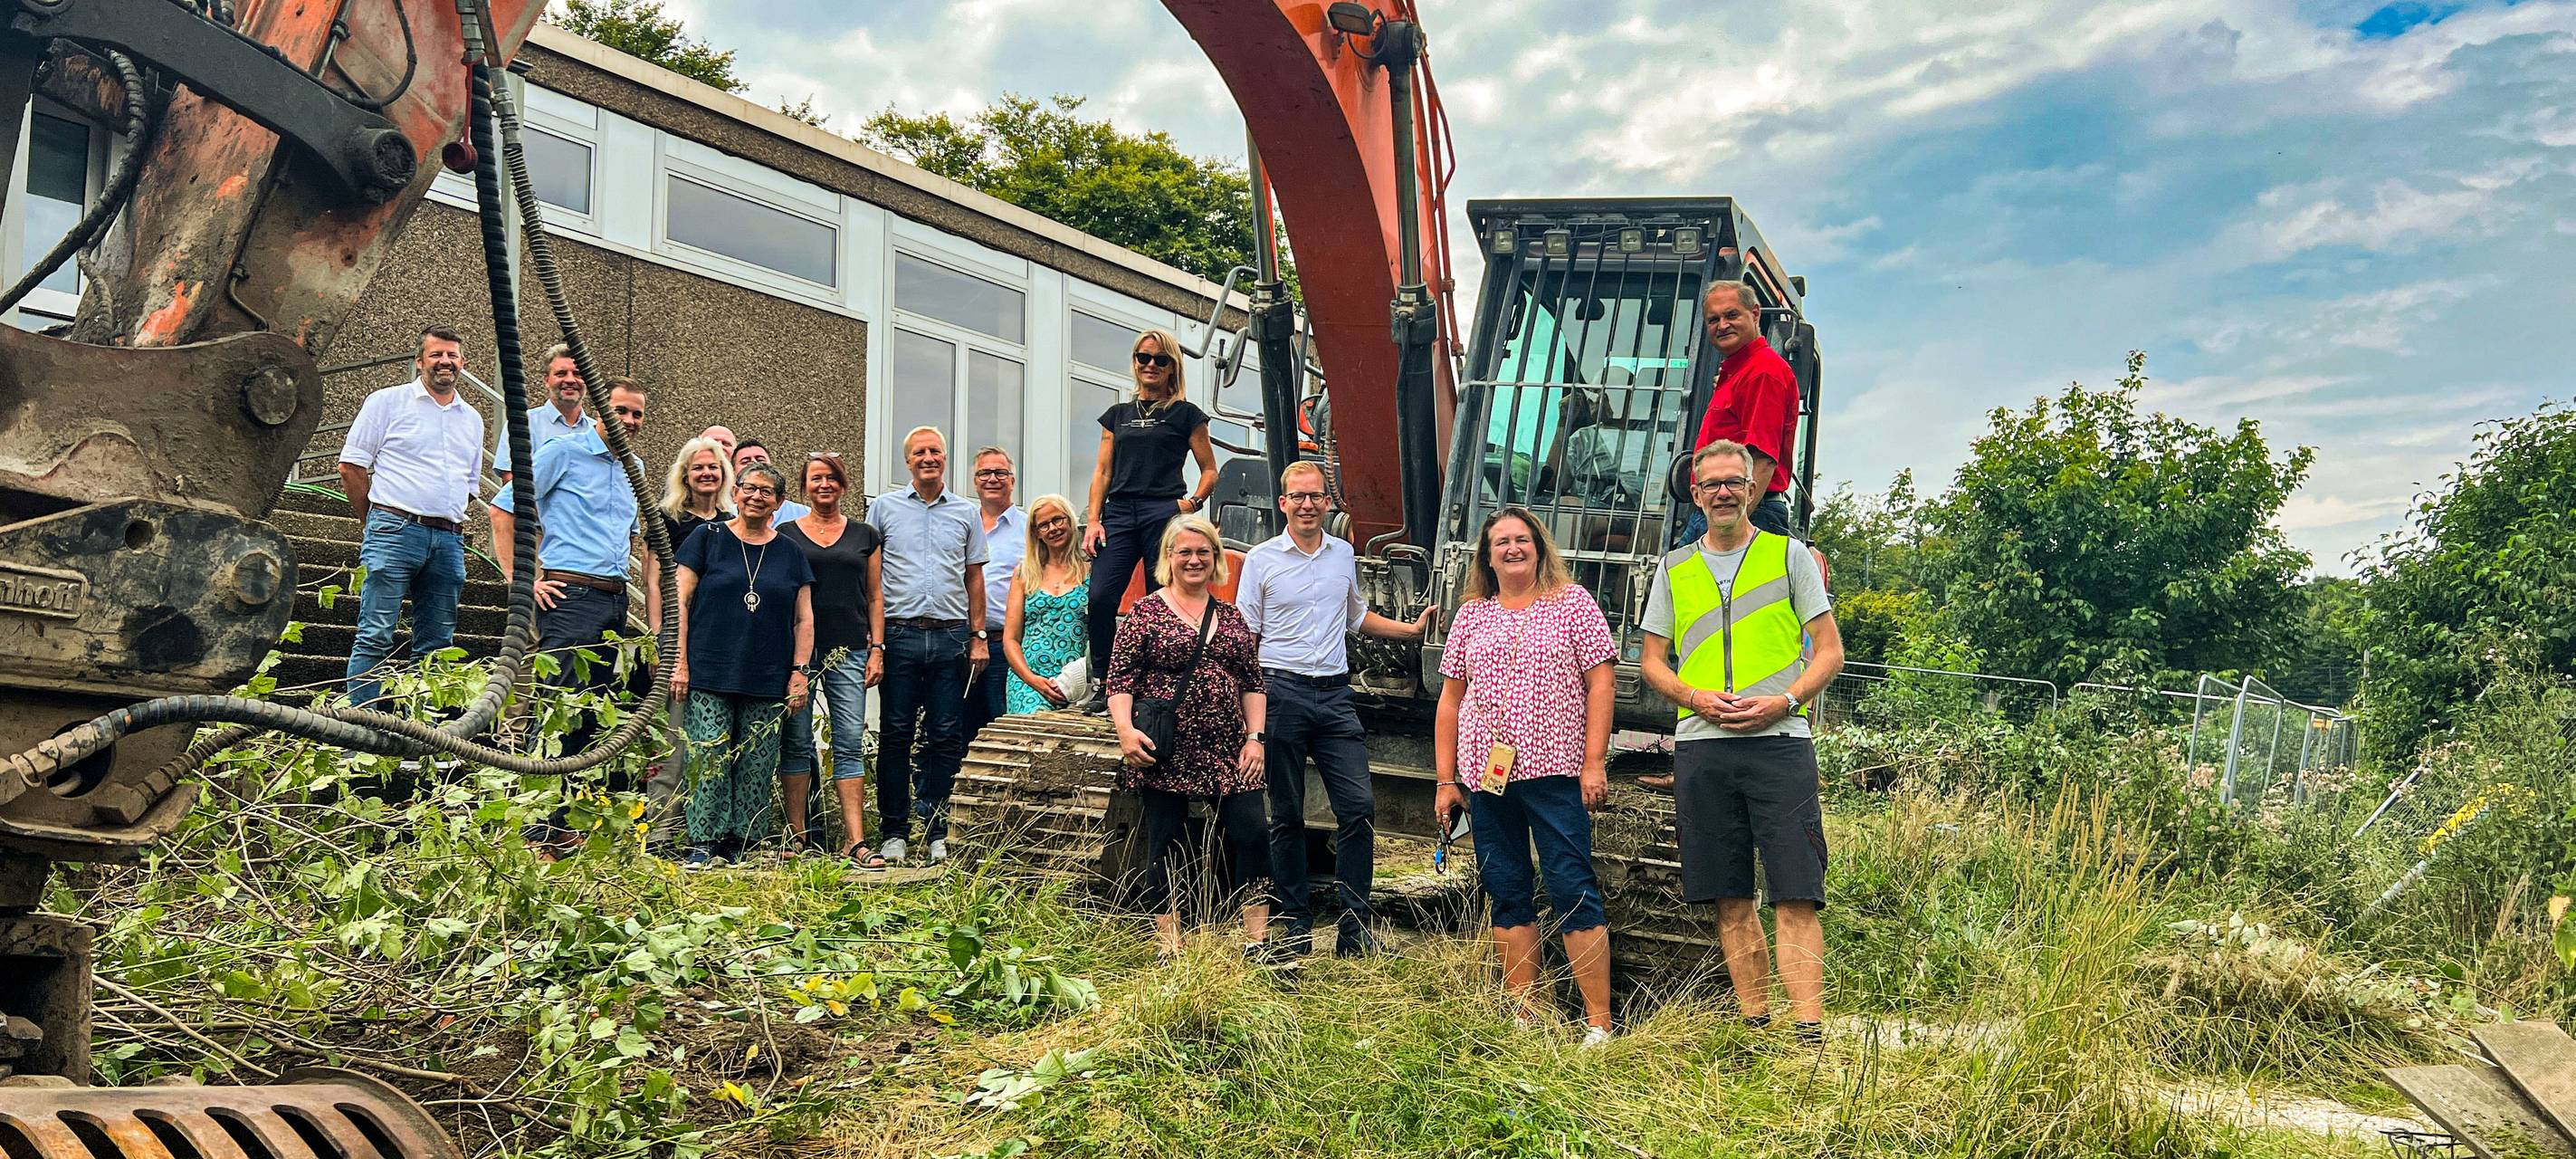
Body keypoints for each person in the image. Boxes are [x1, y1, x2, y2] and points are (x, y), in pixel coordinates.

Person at [1640, 439, 1844, 1047]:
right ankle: (1756, 1025)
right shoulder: (1674, 568)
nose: (1723, 492)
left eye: (1735, 482)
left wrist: (1784, 702)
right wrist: (1695, 699)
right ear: (1695, 494)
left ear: (1753, 489)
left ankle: (1808, 1033)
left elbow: (1829, 651)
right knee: (1729, 897)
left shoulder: (1789, 557)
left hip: (1779, 743)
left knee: (1796, 894)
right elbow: (1652, 660)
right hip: (1703, 746)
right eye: (1712, 485)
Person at [1433, 505, 1617, 1047]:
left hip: (1556, 771)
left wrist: (1594, 761)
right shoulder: (1472, 616)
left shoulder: (1573, 604)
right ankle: (1526, 1013)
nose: (1512, 549)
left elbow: (1601, 686)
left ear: (1539, 547)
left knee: (1571, 886)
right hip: (1488, 776)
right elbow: (1450, 702)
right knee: (1508, 888)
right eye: (1501, 543)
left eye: (1522, 540)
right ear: (1486, 557)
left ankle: (1599, 1024)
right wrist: (1447, 779)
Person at [1237, 461, 1433, 957]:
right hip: (1280, 692)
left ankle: (1353, 928)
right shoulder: (1261, 560)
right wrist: (1246, 713)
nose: (1307, 504)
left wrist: (1410, 631)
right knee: (1286, 815)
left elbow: (1356, 616)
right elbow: (1246, 638)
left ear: (1330, 503)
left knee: (1358, 808)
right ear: (1282, 503)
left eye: (1316, 496)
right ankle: (1296, 926)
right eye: (1297, 496)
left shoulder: (1342, 553)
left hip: (1335, 695)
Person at [486, 377, 652, 852]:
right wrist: (523, 579)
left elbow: (633, 536)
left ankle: (564, 824)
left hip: (614, 599)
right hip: (569, 595)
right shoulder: (563, 450)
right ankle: (538, 829)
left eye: (637, 414)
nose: (629, 422)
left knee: (586, 716)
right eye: (621, 411)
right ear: (601, 410)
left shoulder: (634, 466)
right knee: (558, 710)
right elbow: (503, 510)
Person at [1105, 514, 1275, 963]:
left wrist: (1254, 739)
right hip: (1165, 748)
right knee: (1167, 841)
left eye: (1204, 552)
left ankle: (1256, 941)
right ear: (1168, 559)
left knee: (1252, 834)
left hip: (1228, 748)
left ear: (1216, 559)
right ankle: (1169, 946)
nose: (1194, 560)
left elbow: (1252, 682)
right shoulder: (1146, 612)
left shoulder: (1230, 616)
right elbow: (1120, 680)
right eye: (1185, 552)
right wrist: (1126, 732)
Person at [671, 462, 815, 868]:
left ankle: (742, 842)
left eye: (766, 492)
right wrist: (679, 663)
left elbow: (804, 618)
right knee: (708, 756)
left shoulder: (790, 551)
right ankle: (704, 841)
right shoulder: (707, 538)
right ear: (735, 493)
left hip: (768, 675)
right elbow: (680, 601)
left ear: (779, 503)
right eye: (749, 488)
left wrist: (799, 672)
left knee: (756, 763)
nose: (756, 496)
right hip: (708, 669)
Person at [338, 326, 485, 707]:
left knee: (437, 644)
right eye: (436, 354)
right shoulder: (387, 402)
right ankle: (360, 733)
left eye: (452, 355)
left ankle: (425, 738)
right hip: (394, 528)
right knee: (375, 634)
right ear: (420, 362)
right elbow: (351, 466)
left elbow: (470, 486)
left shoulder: (472, 419)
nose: (445, 362)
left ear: (462, 364)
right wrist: (372, 521)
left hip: (450, 539)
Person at [864, 426, 987, 866]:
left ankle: (939, 830)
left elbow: (975, 577)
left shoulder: (966, 513)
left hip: (951, 635)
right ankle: (894, 831)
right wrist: (876, 643)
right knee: (895, 735)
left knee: (946, 737)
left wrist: (978, 636)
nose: (928, 457)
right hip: (899, 634)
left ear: (945, 457)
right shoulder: (884, 508)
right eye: (920, 452)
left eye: (935, 450)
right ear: (908, 461)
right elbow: (872, 580)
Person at [1079, 329, 1216, 711]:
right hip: (1119, 513)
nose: (1150, 365)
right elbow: (1103, 472)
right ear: (1135, 363)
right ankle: (1105, 683)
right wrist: (1093, 520)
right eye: (1143, 358)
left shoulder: (1186, 414)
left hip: (1163, 510)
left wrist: (1191, 505)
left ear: (1173, 367)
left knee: (1161, 599)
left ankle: (1157, 683)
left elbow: (1209, 470)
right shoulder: (1116, 416)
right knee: (1102, 596)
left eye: (1160, 359)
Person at [776, 452, 888, 867]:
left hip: (850, 650)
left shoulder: (865, 536)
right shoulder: (785, 533)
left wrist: (877, 647)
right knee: (797, 741)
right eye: (816, 479)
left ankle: (854, 841)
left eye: (832, 478)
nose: (824, 485)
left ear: (843, 484)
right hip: (799, 653)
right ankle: (797, 837)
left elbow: (876, 596)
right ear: (805, 486)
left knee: (848, 742)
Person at [1679, 282, 1798, 543]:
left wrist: (1727, 535)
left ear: (1755, 314)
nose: (1722, 325)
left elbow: (1763, 460)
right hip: (1726, 509)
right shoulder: (1738, 372)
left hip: (1743, 512)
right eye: (1714, 319)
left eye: (1731, 315)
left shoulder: (1763, 373)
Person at [1002, 493, 1088, 714]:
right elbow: (1011, 639)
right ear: (1036, 534)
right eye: (1044, 525)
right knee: (1030, 730)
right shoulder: (1024, 573)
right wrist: (1032, 679)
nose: (1053, 528)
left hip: (1077, 681)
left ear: (1069, 520)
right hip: (1029, 680)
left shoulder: (1092, 571)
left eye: (1058, 520)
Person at [966, 446, 1026, 737]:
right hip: (961, 646)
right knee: (956, 732)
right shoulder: (962, 524)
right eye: (985, 473)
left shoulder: (1029, 529)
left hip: (1006, 647)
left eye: (1000, 473)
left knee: (1003, 729)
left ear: (1012, 481)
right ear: (975, 481)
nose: (993, 479)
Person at [491, 343, 587, 484]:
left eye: (577, 374)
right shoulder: (523, 425)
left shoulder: (596, 431)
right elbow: (512, 483)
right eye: (561, 373)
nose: (570, 380)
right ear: (547, 380)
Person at [731, 437, 811, 522]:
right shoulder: (726, 515)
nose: (755, 463)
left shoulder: (803, 514)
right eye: (746, 461)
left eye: (760, 460)